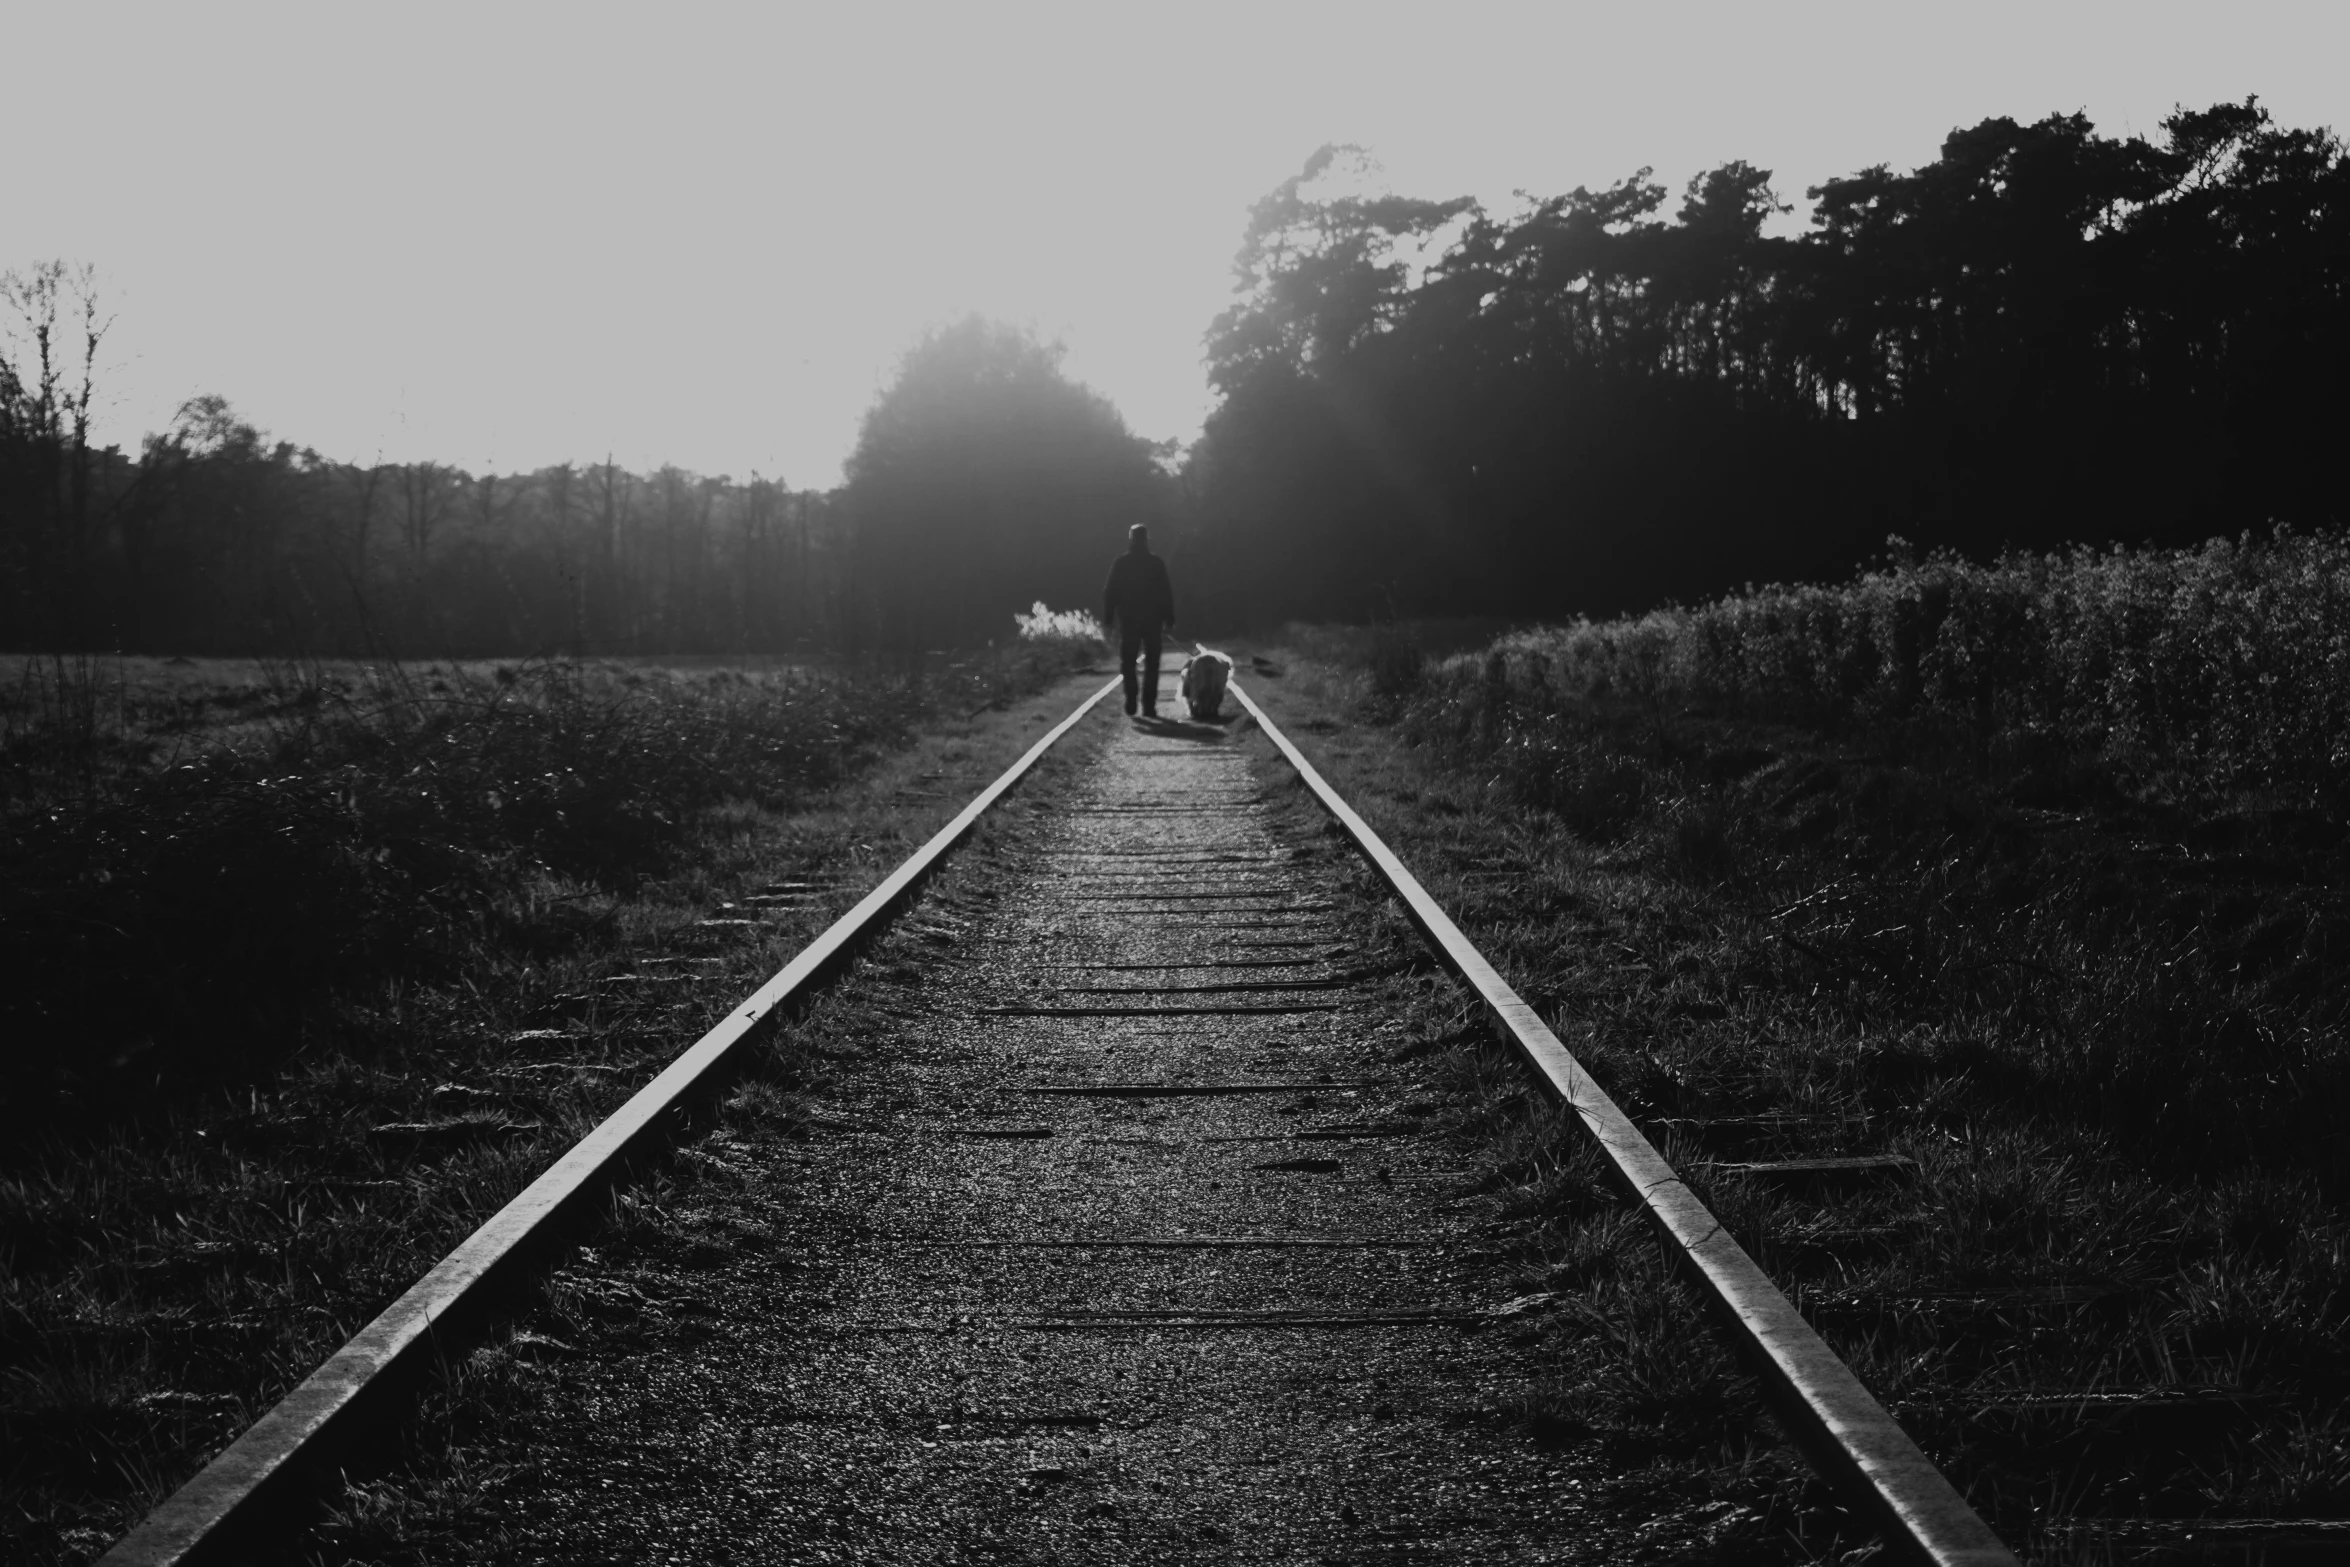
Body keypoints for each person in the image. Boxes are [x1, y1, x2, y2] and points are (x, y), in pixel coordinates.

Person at [1102, 523, 1176, 717]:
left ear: (1130, 538)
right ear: (1147, 539)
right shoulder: (1156, 563)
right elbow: (1165, 592)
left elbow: (1110, 593)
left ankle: (1131, 698)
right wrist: (1169, 619)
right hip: (1153, 621)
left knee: (1128, 662)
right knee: (1152, 663)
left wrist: (1108, 621)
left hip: (1129, 621)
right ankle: (1149, 705)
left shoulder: (1121, 563)